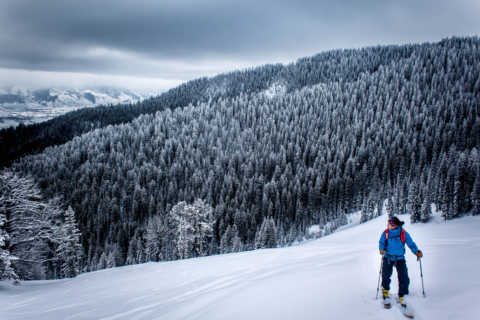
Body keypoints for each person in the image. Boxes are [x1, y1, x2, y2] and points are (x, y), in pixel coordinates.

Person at [379, 216, 423, 306]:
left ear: (395, 225)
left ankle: (403, 295)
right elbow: (381, 242)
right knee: (385, 275)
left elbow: (410, 243)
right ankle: (385, 291)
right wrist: (382, 249)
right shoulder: (386, 233)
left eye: (390, 224)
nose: (389, 225)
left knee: (404, 277)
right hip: (388, 257)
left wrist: (416, 251)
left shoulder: (403, 233)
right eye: (388, 224)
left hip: (400, 258)